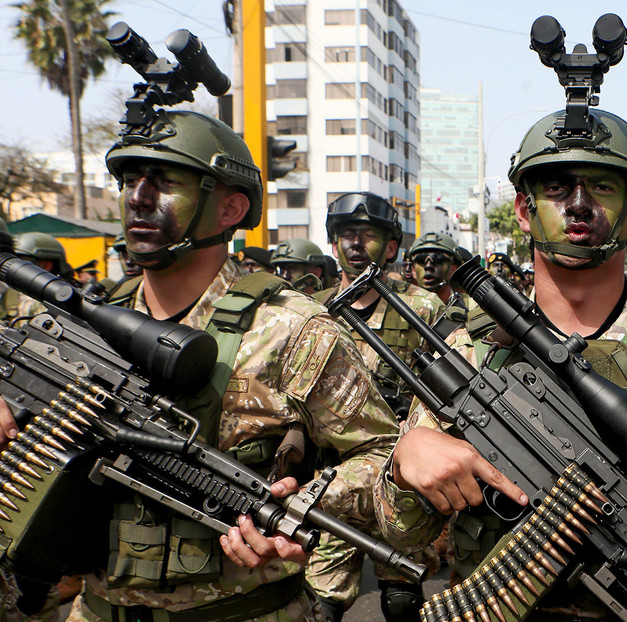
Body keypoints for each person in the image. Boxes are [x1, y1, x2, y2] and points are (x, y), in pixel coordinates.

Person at [375, 108, 627, 622]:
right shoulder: (469, 354)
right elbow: (402, 532)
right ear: (523, 212)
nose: (577, 206)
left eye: (600, 187)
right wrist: (405, 463)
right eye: (556, 188)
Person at [15, 109, 401, 621]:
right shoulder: (86, 317)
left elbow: (382, 458)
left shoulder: (291, 329)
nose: (139, 197)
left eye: (166, 182)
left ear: (230, 209)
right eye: (131, 180)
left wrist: (306, 509)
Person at [310, 192, 442, 620]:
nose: (355, 244)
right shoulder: (310, 312)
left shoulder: (423, 307)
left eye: (368, 235)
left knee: (402, 596)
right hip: (333, 477)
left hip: (403, 476)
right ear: (333, 244)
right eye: (347, 234)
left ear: (390, 247)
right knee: (320, 599)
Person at [407, 231, 469, 336]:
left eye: (438, 259)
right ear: (413, 269)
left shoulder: (471, 307)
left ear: (453, 268)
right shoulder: (402, 306)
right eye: (421, 259)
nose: (428, 266)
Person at [11, 232, 73, 323]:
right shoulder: (11, 293)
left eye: (24, 263)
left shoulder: (64, 300)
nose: (16, 268)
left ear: (46, 265)